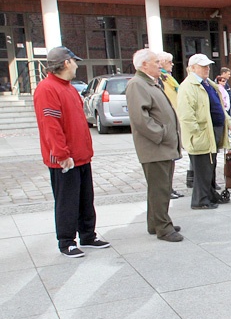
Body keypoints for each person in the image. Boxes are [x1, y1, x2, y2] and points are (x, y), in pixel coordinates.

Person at [33, 46, 110, 258]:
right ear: (66, 63)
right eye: (74, 61)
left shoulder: (68, 88)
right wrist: (62, 154)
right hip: (65, 159)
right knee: (67, 200)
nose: (77, 65)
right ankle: (66, 241)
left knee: (86, 198)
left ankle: (87, 235)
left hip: (81, 155)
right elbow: (51, 125)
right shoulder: (47, 89)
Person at [125, 49, 183, 242]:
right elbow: (140, 118)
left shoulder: (150, 82)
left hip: (163, 146)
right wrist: (162, 134)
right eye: (156, 61)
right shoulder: (137, 84)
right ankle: (163, 228)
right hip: (155, 147)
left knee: (161, 187)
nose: (160, 64)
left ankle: (157, 222)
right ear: (144, 65)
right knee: (160, 188)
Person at [178, 53, 231, 209]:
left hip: (213, 131)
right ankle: (200, 200)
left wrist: (228, 123)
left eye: (208, 66)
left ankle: (210, 195)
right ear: (192, 68)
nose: (207, 69)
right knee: (202, 169)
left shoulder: (208, 83)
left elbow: (218, 106)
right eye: (203, 66)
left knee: (210, 166)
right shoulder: (188, 86)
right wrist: (197, 133)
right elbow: (186, 115)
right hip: (202, 134)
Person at [158, 51, 185, 199]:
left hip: (175, 121)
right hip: (167, 124)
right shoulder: (161, 79)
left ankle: (170, 187)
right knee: (167, 159)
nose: (172, 64)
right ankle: (167, 189)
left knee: (173, 158)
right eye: (169, 62)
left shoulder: (169, 78)